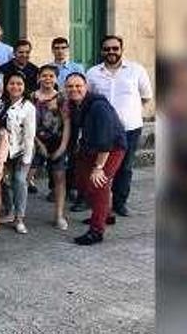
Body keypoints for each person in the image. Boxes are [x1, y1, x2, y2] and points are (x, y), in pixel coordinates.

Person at [85, 35, 152, 218]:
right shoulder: (92, 73)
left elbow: (146, 96)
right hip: (102, 132)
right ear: (102, 51)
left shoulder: (136, 70)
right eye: (107, 49)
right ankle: (99, 205)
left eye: (115, 48)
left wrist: (131, 113)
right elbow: (87, 99)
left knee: (125, 167)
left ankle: (120, 203)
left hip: (130, 128)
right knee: (100, 167)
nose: (111, 52)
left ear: (121, 49)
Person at [64, 73, 127, 245]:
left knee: (98, 184)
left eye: (78, 86)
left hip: (112, 148)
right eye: (70, 86)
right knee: (82, 181)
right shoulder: (74, 104)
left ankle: (96, 231)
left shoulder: (98, 106)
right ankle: (106, 214)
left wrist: (99, 167)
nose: (74, 89)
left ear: (87, 87)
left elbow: (106, 139)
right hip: (90, 147)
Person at [0, 72, 36, 234]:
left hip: (22, 150)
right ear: (6, 85)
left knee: (19, 180)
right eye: (12, 83)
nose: (15, 87)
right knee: (4, 180)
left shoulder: (28, 107)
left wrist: (27, 159)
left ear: (24, 87)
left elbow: (29, 134)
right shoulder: (0, 103)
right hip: (4, 151)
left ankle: (20, 218)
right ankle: (9, 210)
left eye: (19, 84)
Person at [33, 65, 71, 229]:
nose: (47, 79)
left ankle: (59, 215)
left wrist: (63, 147)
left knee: (59, 179)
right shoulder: (32, 97)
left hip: (57, 142)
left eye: (51, 76)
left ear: (56, 79)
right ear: (39, 77)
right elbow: (28, 123)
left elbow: (67, 123)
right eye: (44, 75)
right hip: (36, 141)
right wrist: (37, 143)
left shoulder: (61, 98)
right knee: (24, 176)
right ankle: (16, 212)